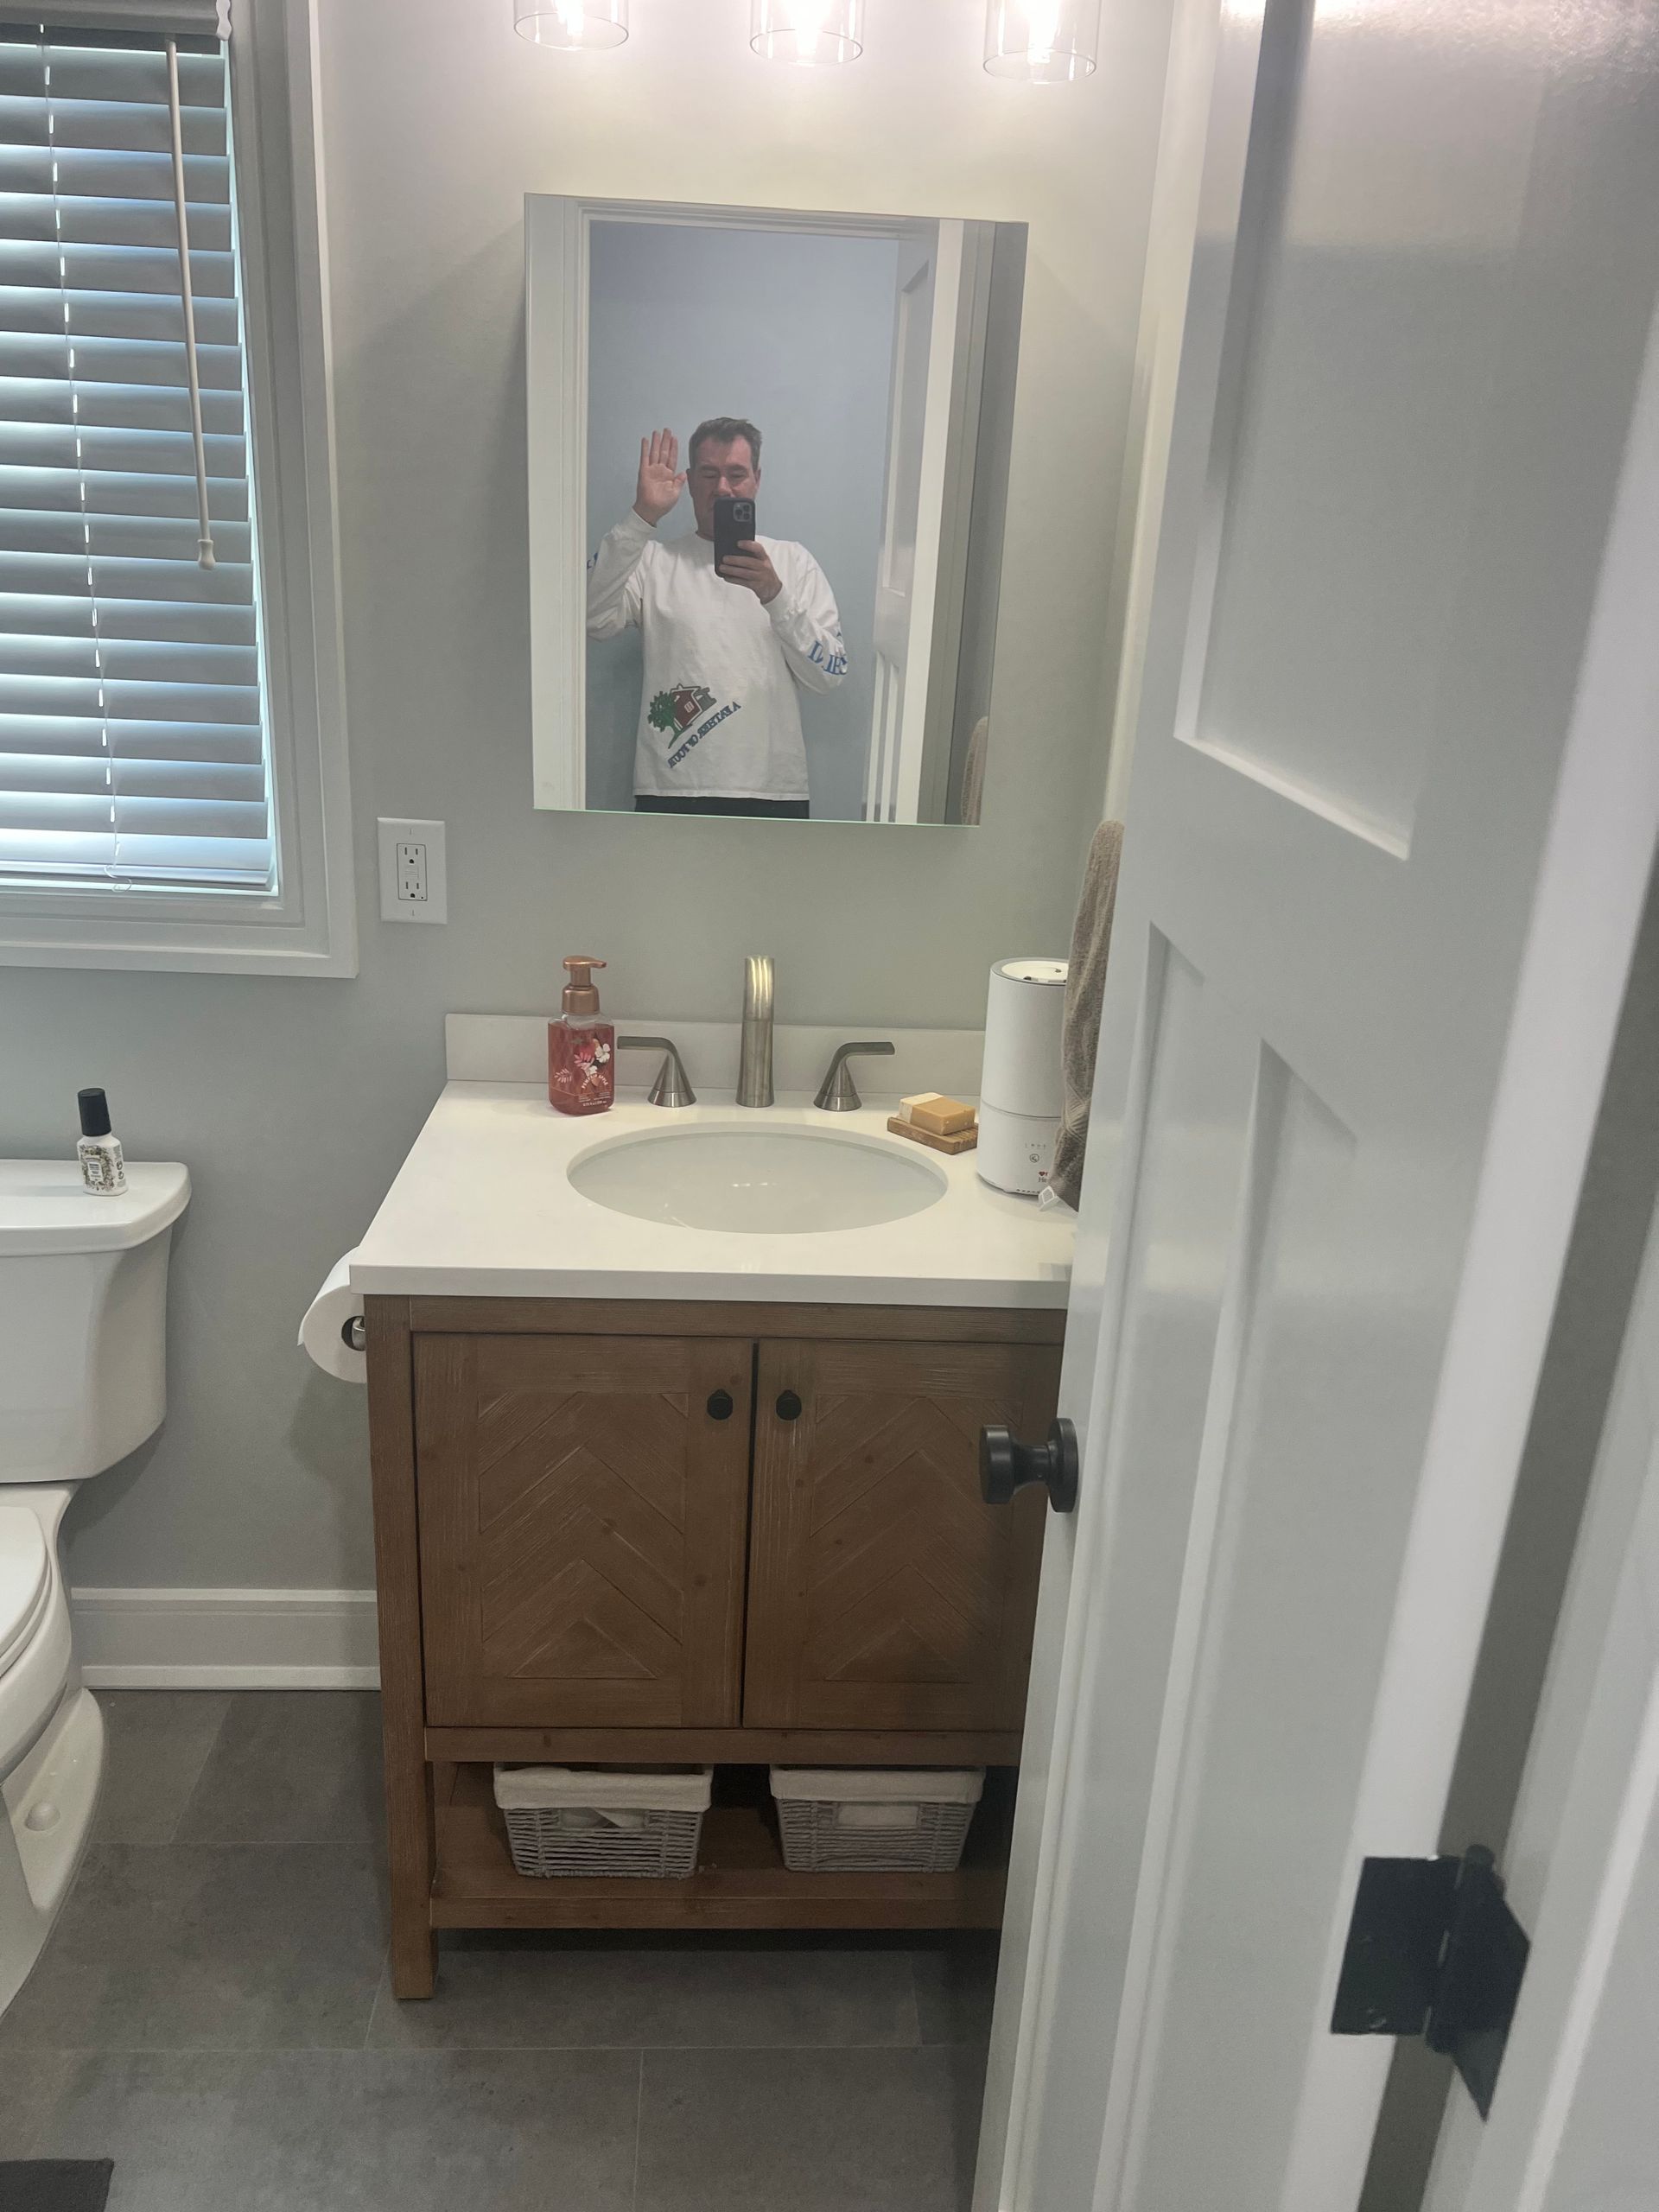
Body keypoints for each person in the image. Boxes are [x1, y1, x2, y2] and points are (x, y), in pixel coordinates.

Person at [586, 416, 847, 817]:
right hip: (671, 786)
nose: (723, 488)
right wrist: (642, 516)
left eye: (736, 474)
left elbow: (828, 674)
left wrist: (775, 596)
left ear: (757, 479)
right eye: (709, 474)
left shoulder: (793, 562)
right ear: (690, 481)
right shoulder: (653, 561)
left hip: (772, 789)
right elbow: (591, 616)